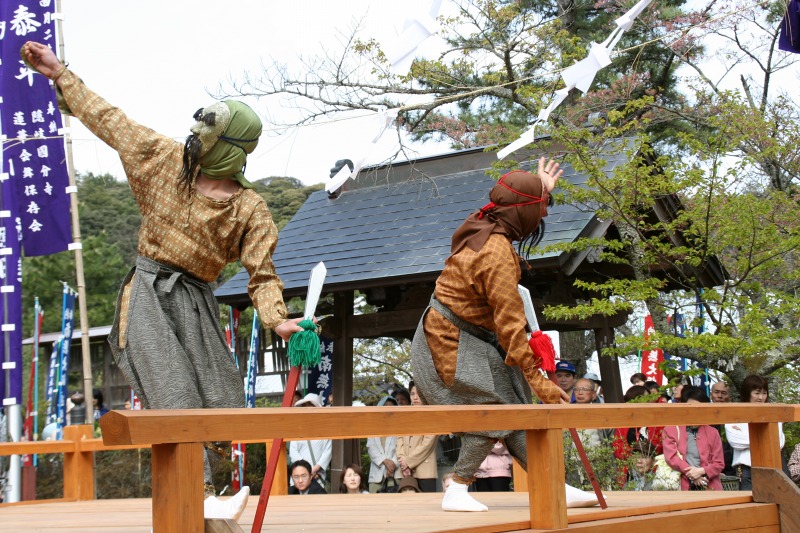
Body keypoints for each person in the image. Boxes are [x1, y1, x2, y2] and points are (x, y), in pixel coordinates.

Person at [20, 41, 307, 522]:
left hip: (195, 301)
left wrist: (277, 320)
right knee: (172, 391)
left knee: (220, 397)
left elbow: (262, 274)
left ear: (232, 146)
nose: (195, 132)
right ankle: (202, 496)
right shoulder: (165, 161)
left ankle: (207, 502)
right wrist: (58, 73)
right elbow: (112, 121)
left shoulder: (249, 209)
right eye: (197, 123)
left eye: (207, 128)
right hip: (150, 292)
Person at [410, 159, 595, 513]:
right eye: (539, 211)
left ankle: (553, 481)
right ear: (522, 213)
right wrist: (539, 380)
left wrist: (539, 189)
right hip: (448, 340)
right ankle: (457, 489)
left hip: (467, 335)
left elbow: (516, 201)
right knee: (497, 409)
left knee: (516, 407)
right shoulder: (496, 255)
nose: (541, 219)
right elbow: (511, 327)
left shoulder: (488, 221)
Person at [724, 375, 786, 490]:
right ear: (748, 393)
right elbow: (735, 442)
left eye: (764, 393)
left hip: (772, 467)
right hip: (746, 469)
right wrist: (765, 437)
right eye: (757, 393)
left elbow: (778, 443)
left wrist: (746, 436)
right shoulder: (735, 413)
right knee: (749, 504)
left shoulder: (773, 413)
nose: (761, 397)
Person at [661, 386, 725, 491]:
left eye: (699, 409)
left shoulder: (713, 432)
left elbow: (719, 463)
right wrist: (692, 474)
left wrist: (701, 471)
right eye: (690, 408)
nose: (695, 412)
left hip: (710, 486)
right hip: (682, 486)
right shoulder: (671, 430)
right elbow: (671, 458)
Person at [396, 382, 438, 492]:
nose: (415, 397)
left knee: (426, 504)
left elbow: (427, 444)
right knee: (406, 505)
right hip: (405, 469)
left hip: (425, 469)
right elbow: (400, 438)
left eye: (419, 394)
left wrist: (408, 462)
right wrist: (402, 459)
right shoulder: (405, 415)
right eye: (412, 394)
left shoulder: (432, 415)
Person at [289, 393, 333, 484]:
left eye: (311, 407)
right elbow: (293, 452)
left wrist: (315, 469)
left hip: (318, 477)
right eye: (305, 407)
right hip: (298, 478)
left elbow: (327, 453)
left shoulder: (325, 430)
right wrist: (306, 471)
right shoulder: (297, 429)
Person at [366, 396, 402, 492]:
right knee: (374, 504)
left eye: (391, 406)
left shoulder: (400, 427)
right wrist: (385, 461)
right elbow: (370, 447)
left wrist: (393, 464)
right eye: (385, 406)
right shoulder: (373, 427)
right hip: (377, 473)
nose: (388, 408)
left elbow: (401, 448)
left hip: (395, 472)